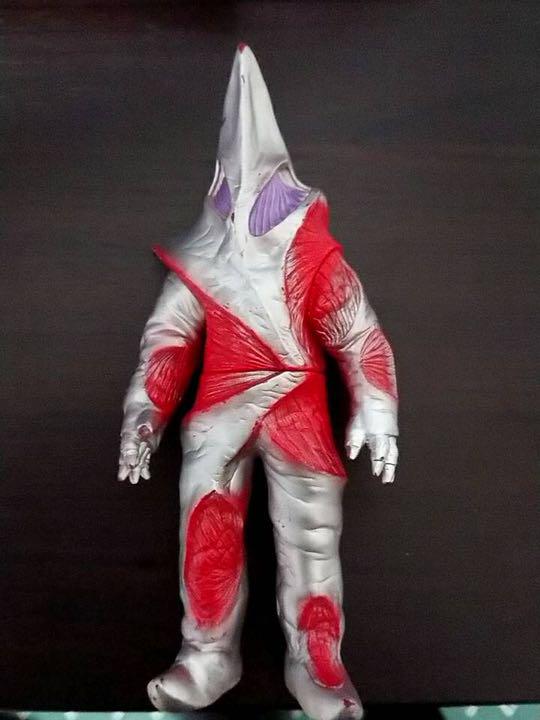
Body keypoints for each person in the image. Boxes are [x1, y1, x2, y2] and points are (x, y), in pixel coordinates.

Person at [119, 44, 399, 720]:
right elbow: (169, 340)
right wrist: (145, 414)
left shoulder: (313, 253)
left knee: (312, 541)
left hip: (299, 411)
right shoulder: (201, 257)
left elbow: (358, 333)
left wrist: (377, 406)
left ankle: (318, 661)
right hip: (221, 410)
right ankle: (207, 652)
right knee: (206, 531)